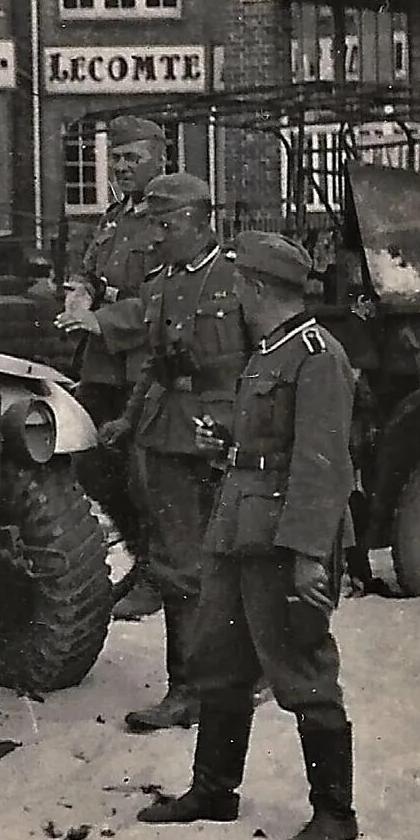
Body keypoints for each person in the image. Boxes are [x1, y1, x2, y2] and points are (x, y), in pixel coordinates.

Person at [138, 232, 361, 840]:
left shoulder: (316, 356)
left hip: (280, 541)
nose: (231, 296)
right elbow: (267, 446)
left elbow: (323, 466)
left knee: (301, 667)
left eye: (237, 286)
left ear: (257, 289)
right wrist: (226, 450)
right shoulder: (268, 353)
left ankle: (335, 814)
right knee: (221, 661)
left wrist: (310, 556)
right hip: (238, 530)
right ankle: (214, 791)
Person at [119, 173, 247, 733]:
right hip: (168, 432)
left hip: (225, 433)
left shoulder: (239, 278)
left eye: (166, 225)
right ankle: (185, 689)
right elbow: (153, 363)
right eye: (152, 225)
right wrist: (127, 419)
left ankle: (249, 672)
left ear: (200, 222)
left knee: (241, 558)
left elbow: (265, 360)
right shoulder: (160, 281)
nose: (155, 237)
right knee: (177, 565)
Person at [56, 115, 170, 616]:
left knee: (146, 473)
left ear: (159, 159)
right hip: (104, 365)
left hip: (146, 363)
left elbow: (166, 301)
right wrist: (79, 293)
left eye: (132, 159)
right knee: (91, 460)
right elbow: (87, 269)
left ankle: (158, 575)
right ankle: (143, 558)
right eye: (117, 159)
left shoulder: (171, 217)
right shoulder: (115, 216)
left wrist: (100, 320)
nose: (121, 169)